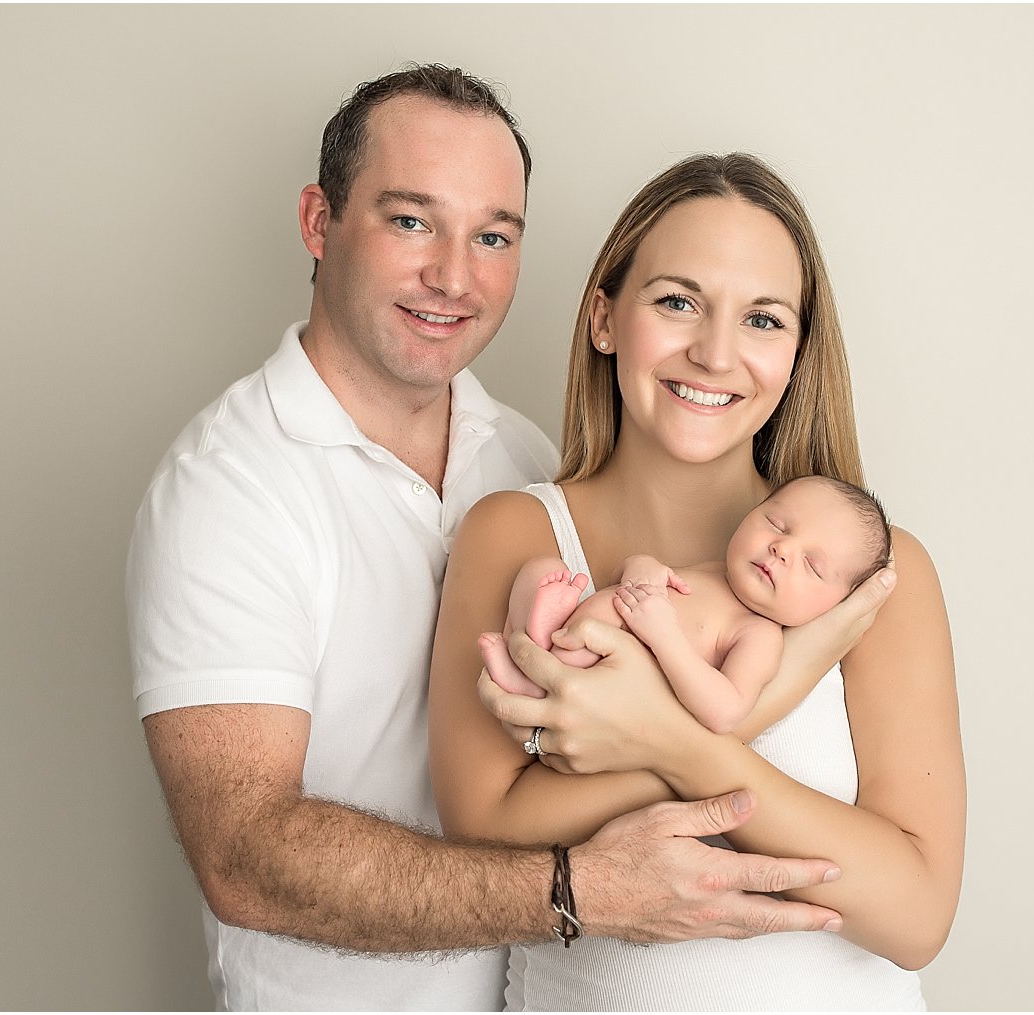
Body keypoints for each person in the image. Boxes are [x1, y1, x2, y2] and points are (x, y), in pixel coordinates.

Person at [128, 66, 889, 1012]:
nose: (454, 274)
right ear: (319, 223)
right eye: (411, 220)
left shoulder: (523, 463)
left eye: (492, 235)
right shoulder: (230, 489)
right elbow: (243, 855)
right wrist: (580, 891)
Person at [428, 153, 964, 1010]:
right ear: (604, 317)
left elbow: (916, 913)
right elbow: (486, 827)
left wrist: (670, 744)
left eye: (763, 318)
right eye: (678, 301)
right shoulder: (518, 533)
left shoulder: (867, 578)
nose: (716, 354)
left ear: (796, 352)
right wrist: (772, 692)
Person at [487, 475, 891, 736]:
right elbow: (628, 574)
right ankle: (529, 643)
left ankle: (529, 679)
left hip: (606, 685)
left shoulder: (759, 635)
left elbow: (726, 710)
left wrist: (664, 637)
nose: (781, 548)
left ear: (834, 607)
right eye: (777, 524)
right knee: (542, 569)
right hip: (578, 629)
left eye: (812, 565)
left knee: (565, 652)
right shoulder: (715, 571)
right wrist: (641, 569)